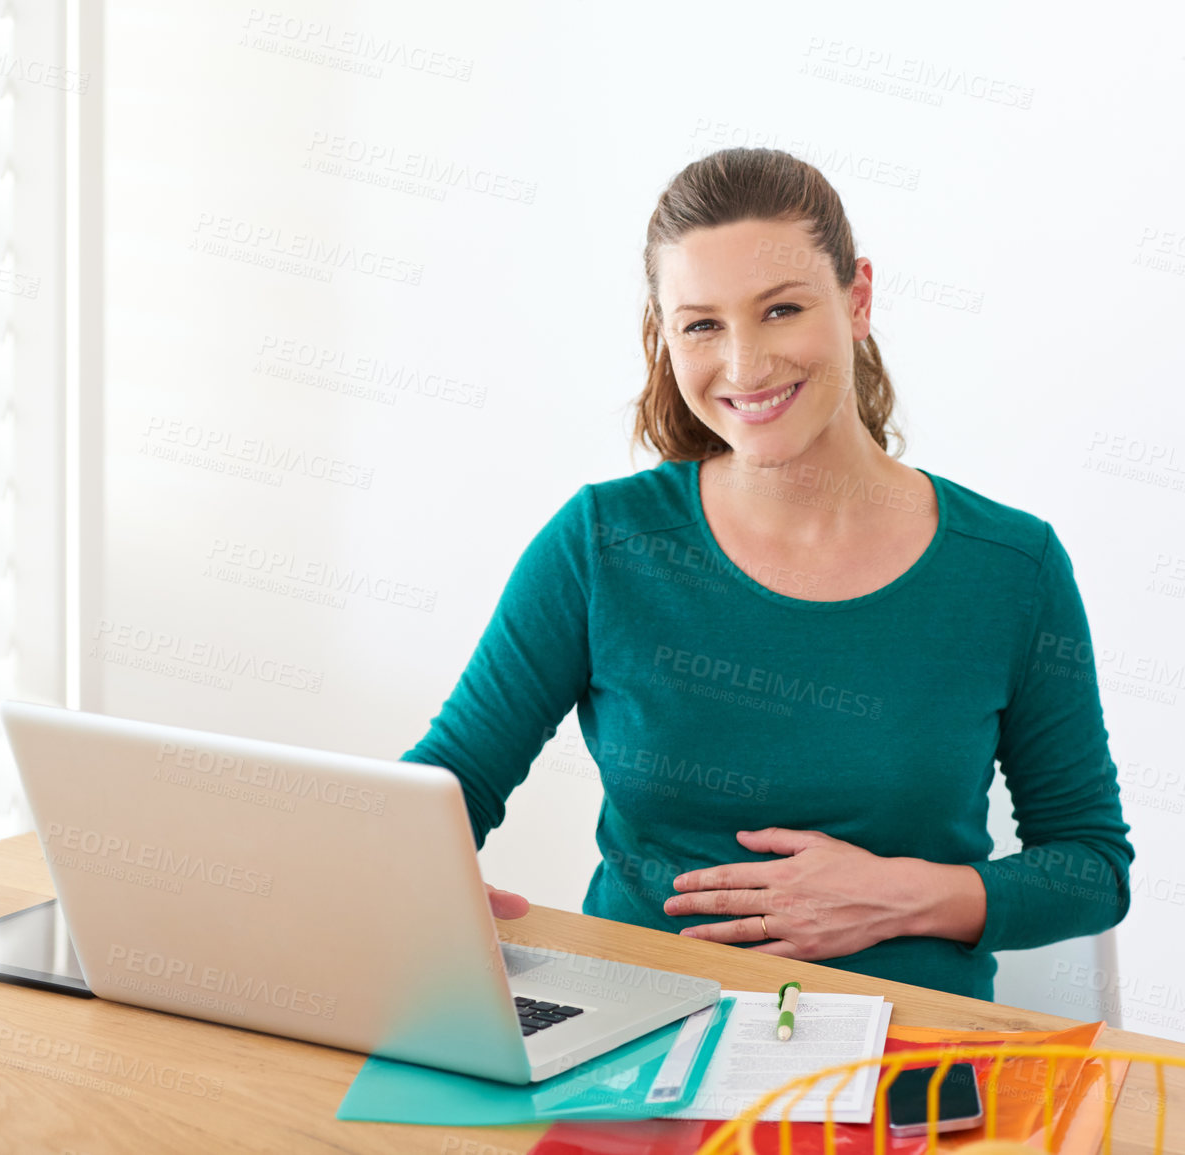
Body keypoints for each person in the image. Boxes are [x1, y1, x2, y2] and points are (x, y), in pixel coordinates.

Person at [401, 147, 1134, 1001]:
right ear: (665, 333)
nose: (744, 366)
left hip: (902, 1058)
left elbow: (1090, 866)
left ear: (857, 299)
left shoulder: (1011, 568)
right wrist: (416, 878)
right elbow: (444, 788)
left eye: (781, 309)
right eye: (702, 324)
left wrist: (899, 897)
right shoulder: (604, 544)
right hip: (629, 1040)